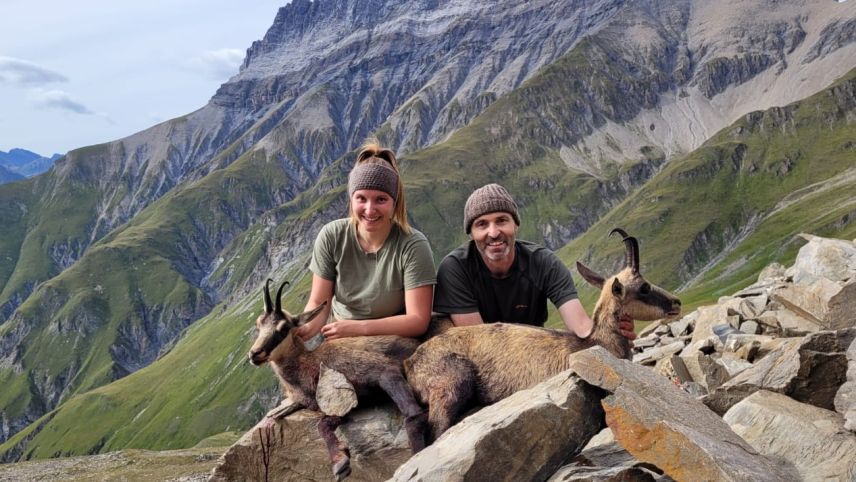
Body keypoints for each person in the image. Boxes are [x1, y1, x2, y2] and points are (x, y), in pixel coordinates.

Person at [433, 183, 635, 339]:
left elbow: (581, 327)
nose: (493, 233)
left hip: (530, 356)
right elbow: (479, 341)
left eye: (502, 220)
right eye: (482, 224)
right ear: (471, 233)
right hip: (481, 362)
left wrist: (611, 335)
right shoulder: (455, 269)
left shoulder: (544, 263)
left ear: (516, 225)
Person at [296, 142, 436, 342]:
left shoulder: (413, 245)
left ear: (394, 202)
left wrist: (359, 328)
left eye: (380, 200)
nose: (370, 210)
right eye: (361, 198)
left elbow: (417, 321)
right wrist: (301, 331)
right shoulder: (331, 236)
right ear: (351, 200)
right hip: (341, 338)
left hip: (394, 341)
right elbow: (319, 302)